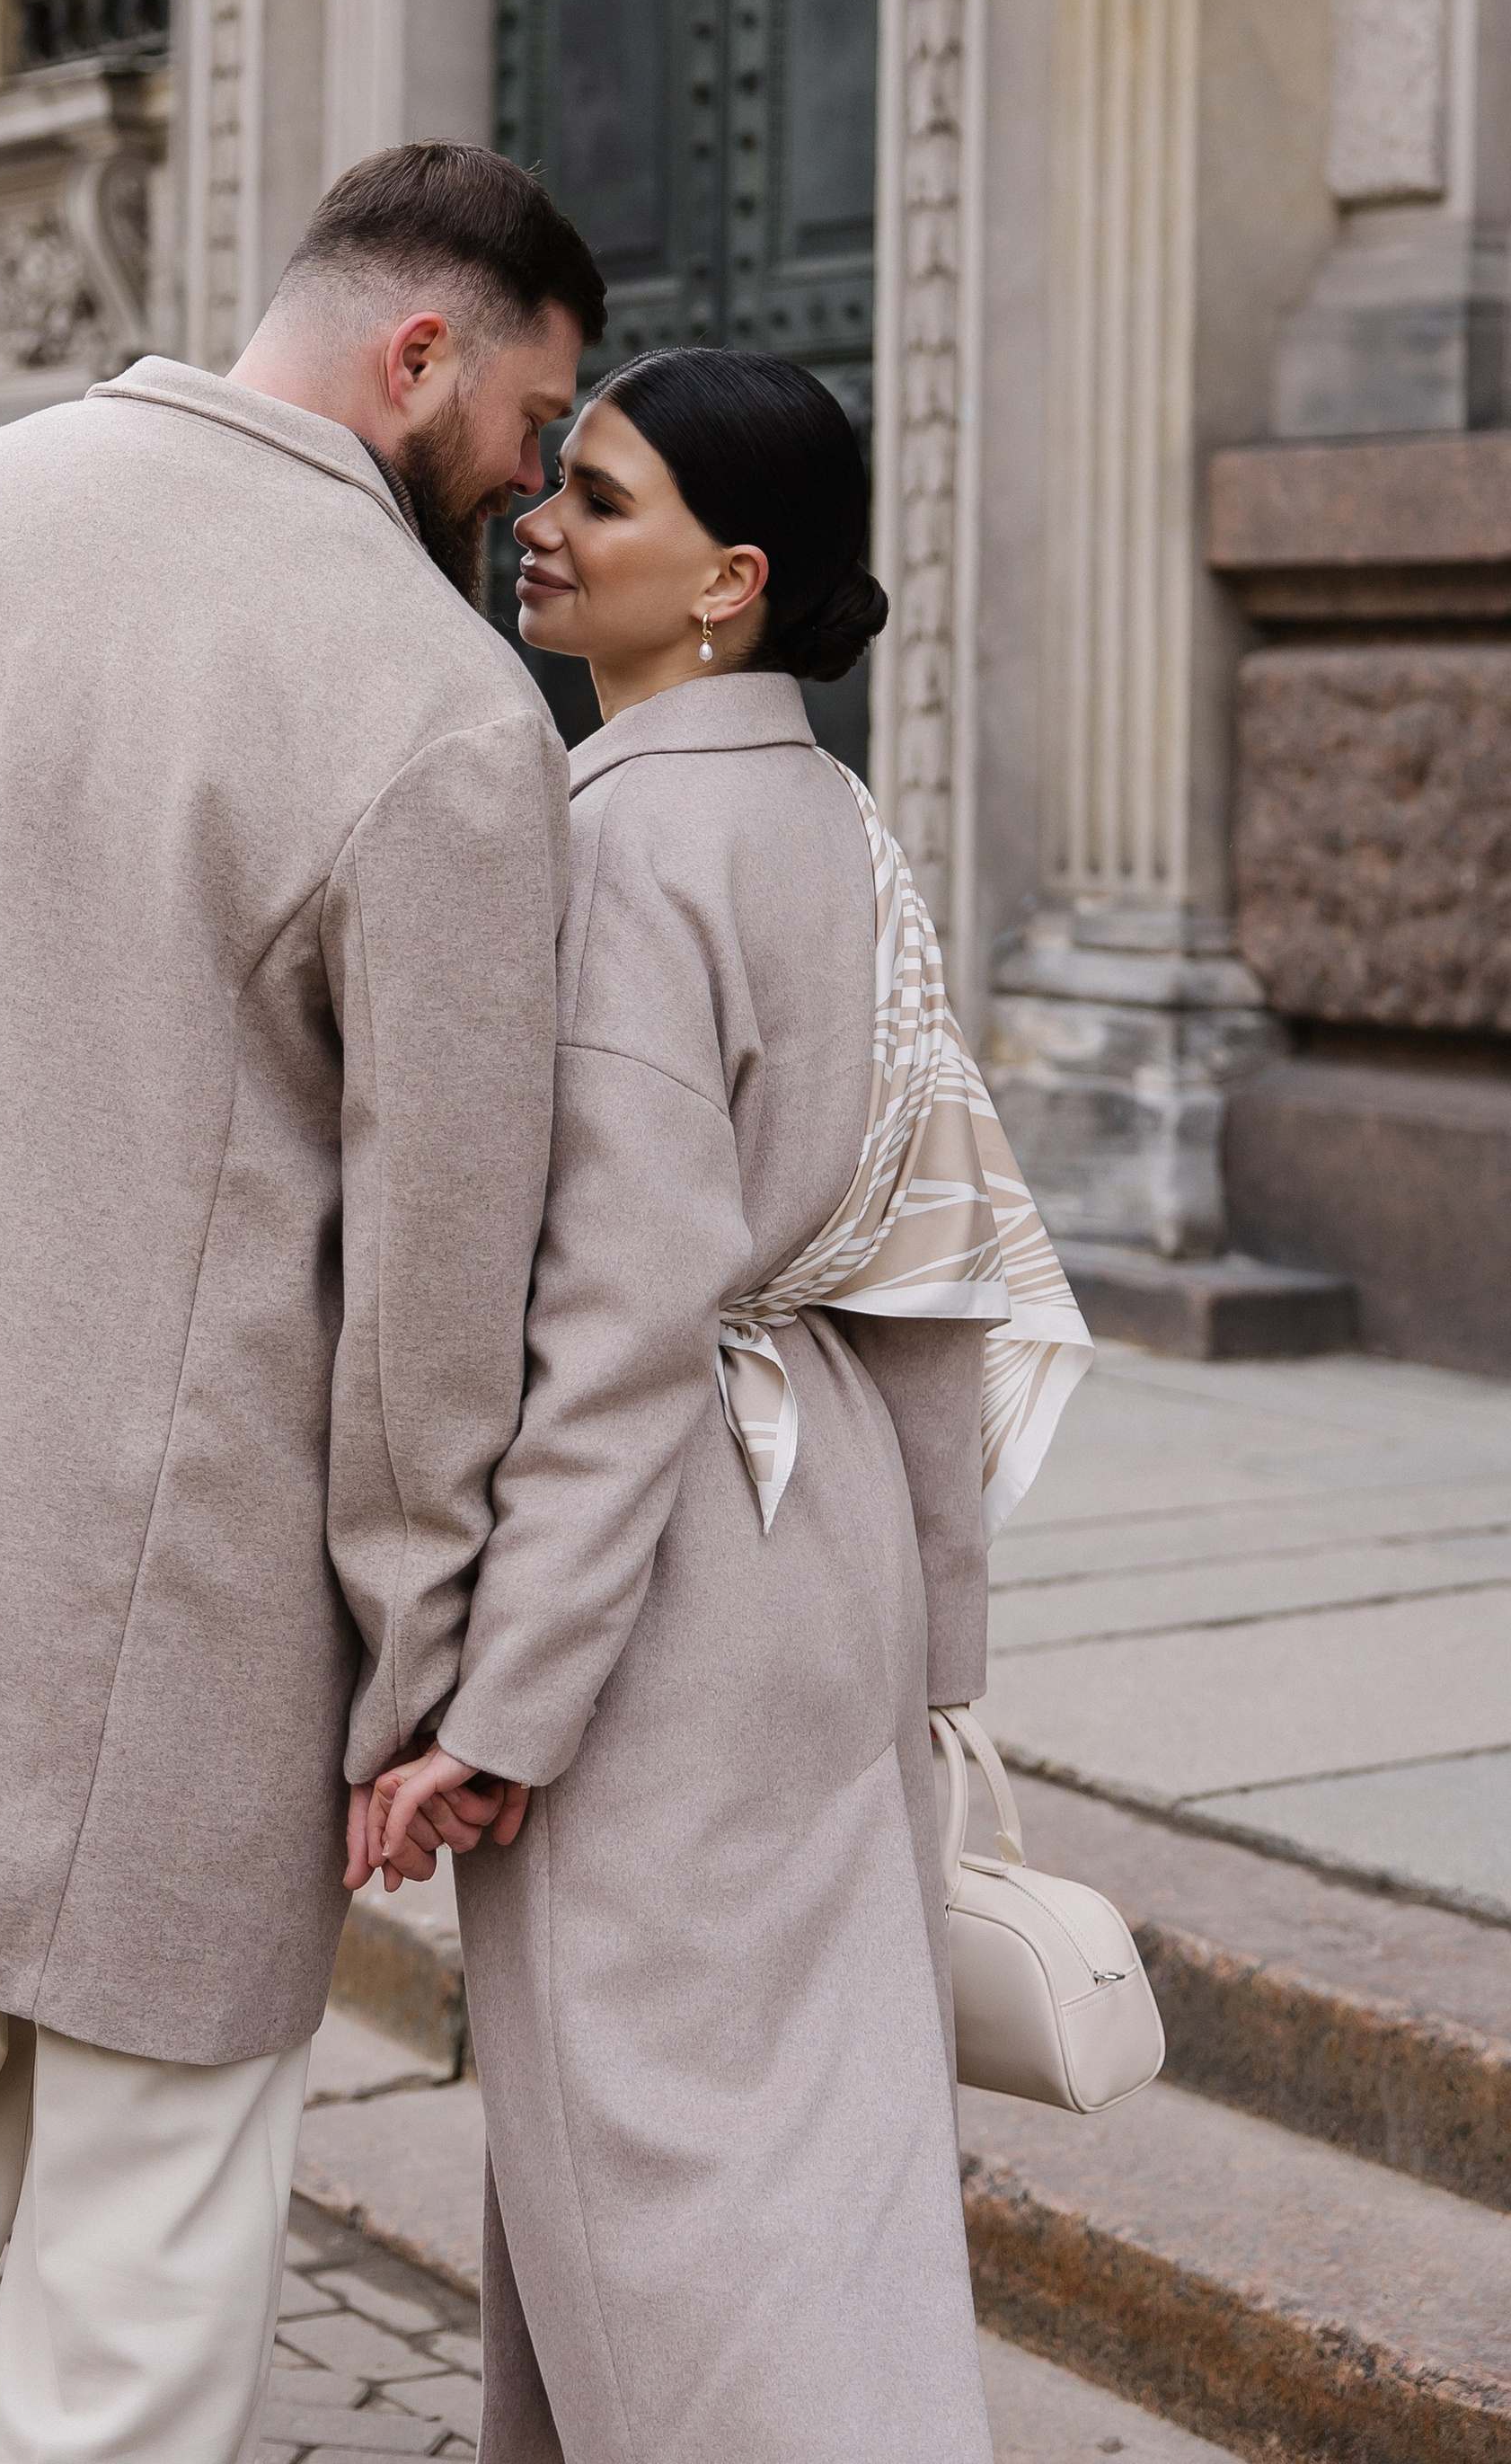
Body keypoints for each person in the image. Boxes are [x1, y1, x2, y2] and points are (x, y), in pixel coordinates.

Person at [0, 143, 605, 2464]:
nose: (533, 484)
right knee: (144, 2264)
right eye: (533, 419)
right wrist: (422, 1652)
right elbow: (436, 1277)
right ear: (419, 354)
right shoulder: (442, 705)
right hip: (178, 1604)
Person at [364, 346, 1091, 2464]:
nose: (540, 523)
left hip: (667, 1588)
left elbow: (614, 1325)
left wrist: (504, 1704)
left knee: (655, 2191)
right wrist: (936, 1649)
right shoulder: (842, 832)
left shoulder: (608, 844)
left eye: (598, 500)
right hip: (831, 1556)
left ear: (725, 581)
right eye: (556, 484)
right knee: (807, 2173)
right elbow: (940, 1270)